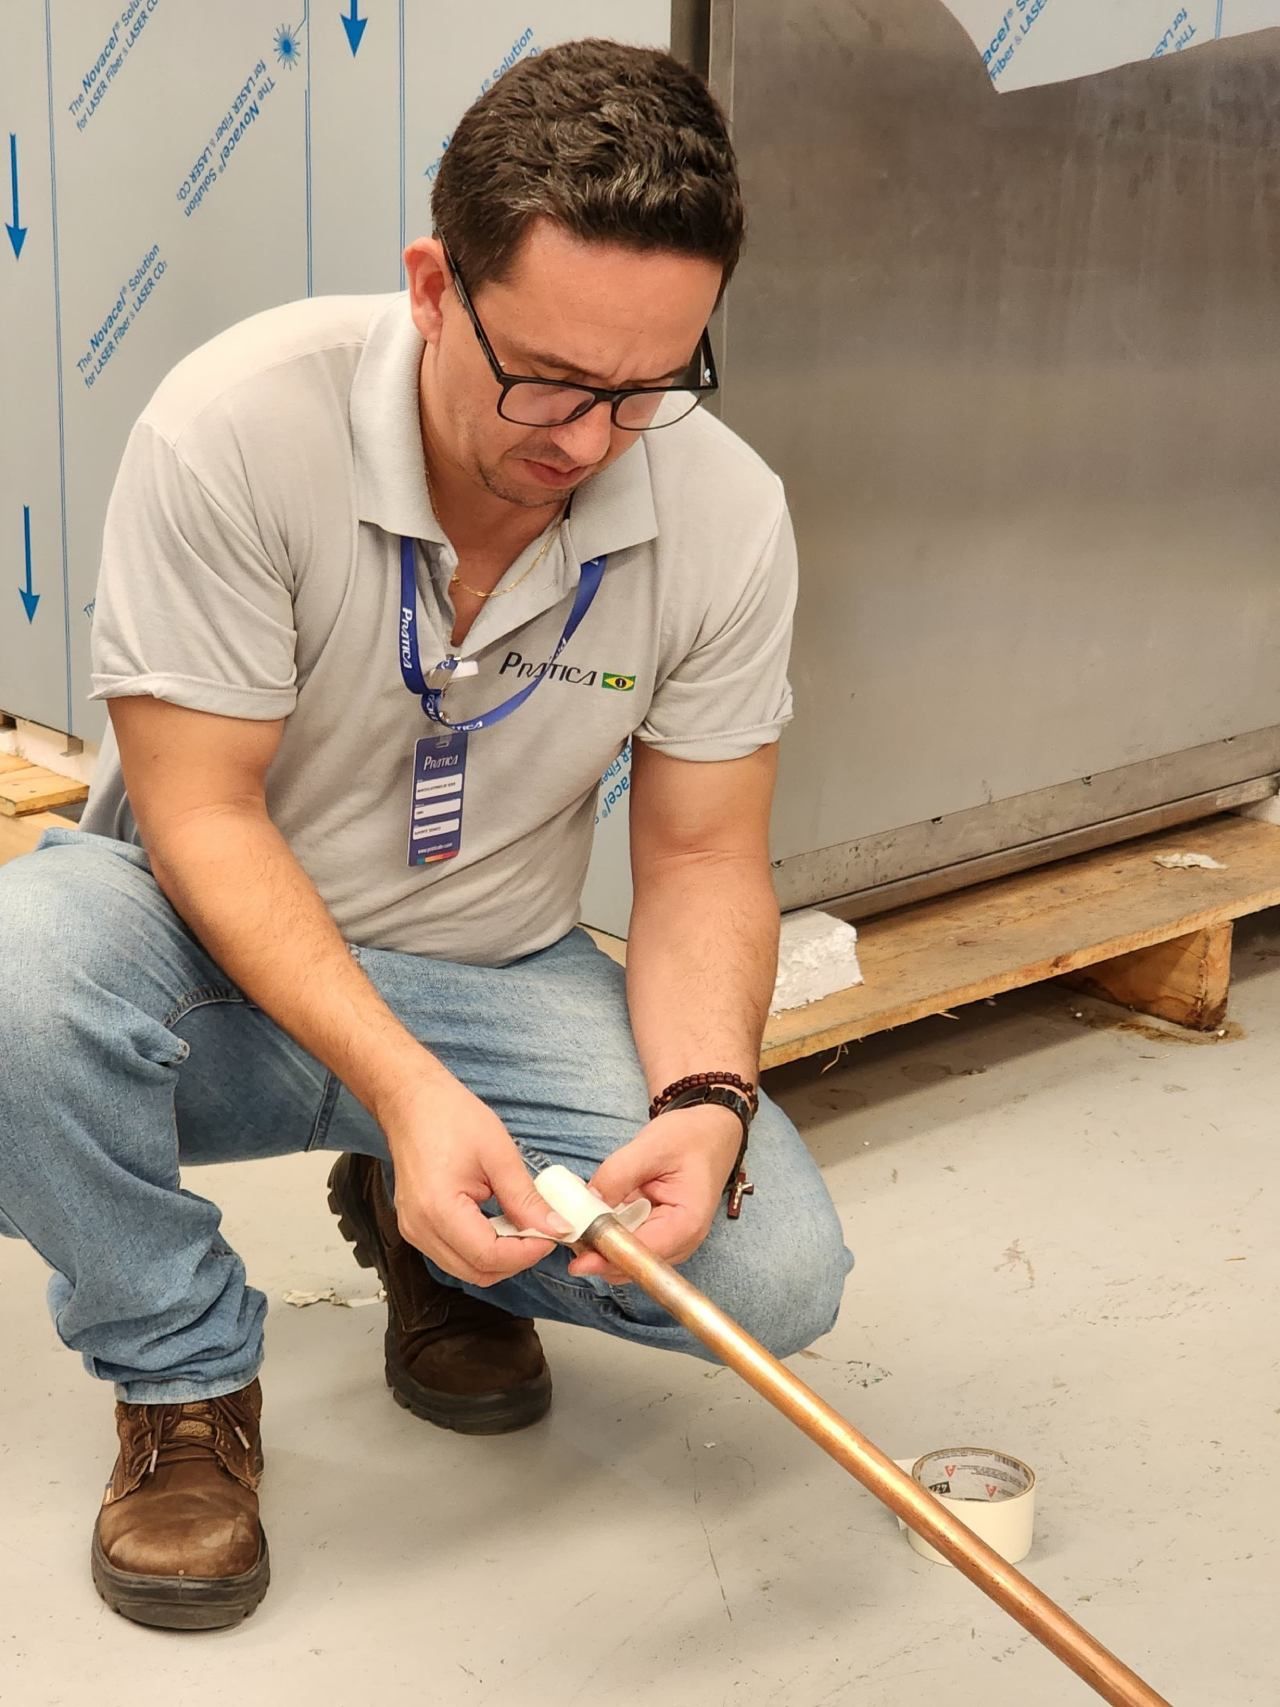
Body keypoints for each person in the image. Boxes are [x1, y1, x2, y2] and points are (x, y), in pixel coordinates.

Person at [0, 38, 851, 1632]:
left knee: (779, 1276)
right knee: (10, 977)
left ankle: (431, 1241)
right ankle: (180, 1378)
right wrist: (408, 1089)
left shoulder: (725, 510)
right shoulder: (238, 426)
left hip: (493, 968)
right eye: (545, 378)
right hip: (198, 959)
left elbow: (699, 861)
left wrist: (709, 1099)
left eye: (646, 386)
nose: (589, 441)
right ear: (431, 285)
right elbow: (197, 811)